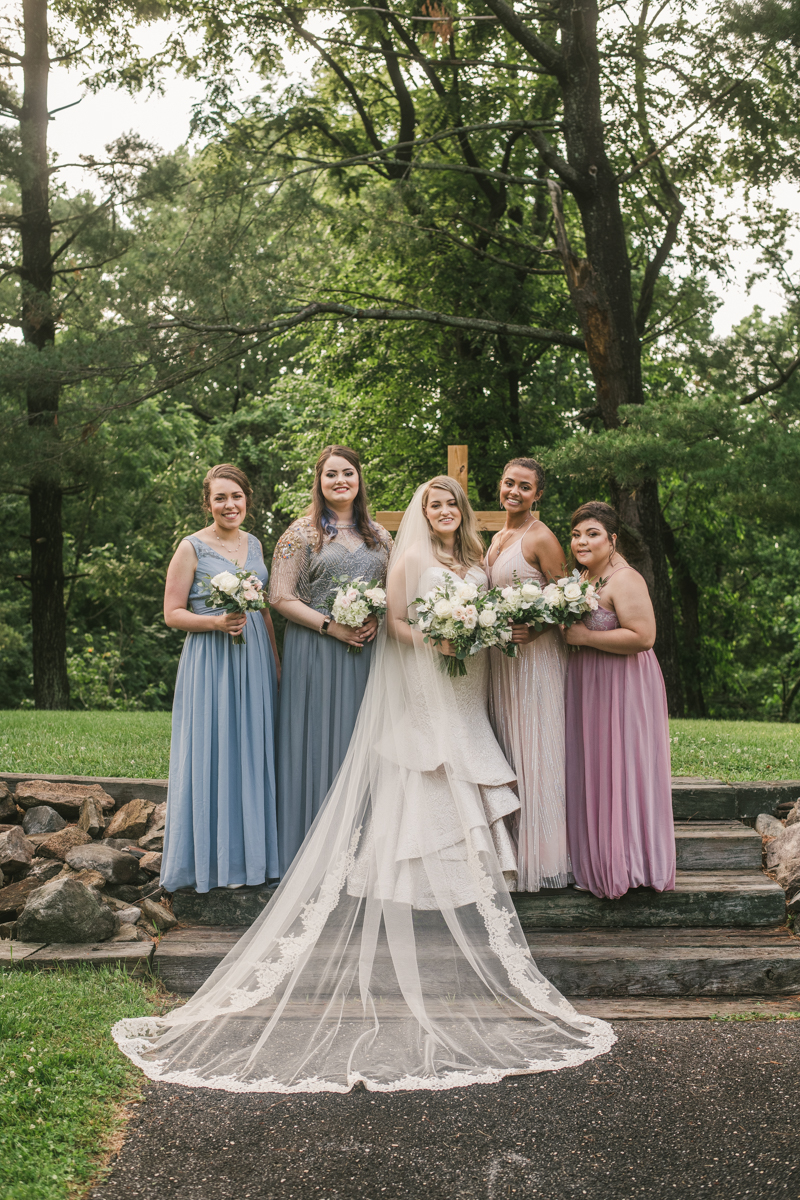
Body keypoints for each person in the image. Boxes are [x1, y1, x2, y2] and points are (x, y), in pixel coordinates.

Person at [113, 478, 614, 1094]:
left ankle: (473, 870)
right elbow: (398, 622)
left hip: (468, 679)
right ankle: (418, 873)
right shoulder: (405, 556)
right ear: (421, 513)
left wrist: (478, 631)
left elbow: (494, 608)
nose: (445, 512)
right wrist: (435, 637)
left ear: (462, 512)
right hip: (429, 673)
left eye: (452, 503)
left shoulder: (474, 560)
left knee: (465, 762)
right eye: (434, 504)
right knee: (428, 764)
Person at [269, 446, 392, 875]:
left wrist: (376, 615)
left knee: (363, 743)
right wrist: (329, 626)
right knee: (316, 741)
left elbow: (393, 589)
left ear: (359, 479)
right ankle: (308, 851)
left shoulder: (380, 535)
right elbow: (280, 596)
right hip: (315, 650)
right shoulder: (300, 533)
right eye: (331, 475)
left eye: (348, 473)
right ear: (319, 482)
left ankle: (361, 854)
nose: (340, 481)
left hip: (366, 653)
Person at [160, 465, 281, 894]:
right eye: (220, 498)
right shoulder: (191, 547)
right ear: (208, 503)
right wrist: (215, 624)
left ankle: (256, 859)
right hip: (210, 660)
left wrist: (275, 663)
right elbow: (172, 613)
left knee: (252, 750)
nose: (229, 505)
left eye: (236, 497)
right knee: (212, 751)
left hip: (255, 662)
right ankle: (208, 864)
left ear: (247, 498)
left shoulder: (256, 544)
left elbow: (263, 608)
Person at [564, 501, 676, 900]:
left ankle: (628, 864)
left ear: (612, 540)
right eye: (576, 534)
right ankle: (599, 859)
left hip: (623, 685)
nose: (582, 541)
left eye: (592, 534)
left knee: (621, 767)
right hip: (591, 684)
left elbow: (644, 637)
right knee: (597, 768)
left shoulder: (624, 580)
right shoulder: (584, 576)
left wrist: (587, 637)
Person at [487, 457, 571, 891]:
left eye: (524, 487)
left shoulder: (542, 538)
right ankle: (514, 853)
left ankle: (547, 859)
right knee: (510, 751)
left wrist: (535, 630)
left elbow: (568, 602)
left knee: (538, 750)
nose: (514, 492)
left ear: (538, 494)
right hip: (502, 663)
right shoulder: (499, 536)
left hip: (536, 661)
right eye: (508, 483)